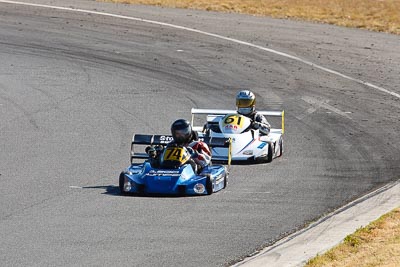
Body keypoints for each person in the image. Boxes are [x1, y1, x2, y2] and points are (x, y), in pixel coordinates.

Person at [146, 119, 211, 173]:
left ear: (189, 131)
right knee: (149, 163)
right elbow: (164, 157)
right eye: (177, 133)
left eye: (183, 132)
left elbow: (206, 161)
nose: (180, 135)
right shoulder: (171, 144)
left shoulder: (199, 144)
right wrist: (156, 153)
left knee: (190, 164)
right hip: (170, 169)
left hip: (190, 172)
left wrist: (195, 154)